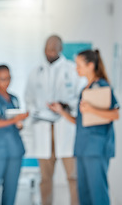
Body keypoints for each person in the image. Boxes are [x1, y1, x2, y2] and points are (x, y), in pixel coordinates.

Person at [48, 49, 119, 205]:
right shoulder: (85, 90)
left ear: (90, 65)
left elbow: (114, 114)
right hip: (83, 148)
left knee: (97, 194)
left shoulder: (101, 85)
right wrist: (61, 111)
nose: (76, 69)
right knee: (84, 194)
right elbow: (80, 122)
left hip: (96, 149)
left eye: (79, 65)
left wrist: (92, 109)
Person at [24, 35, 82, 205]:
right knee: (45, 178)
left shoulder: (72, 70)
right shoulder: (36, 71)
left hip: (65, 129)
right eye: (46, 49)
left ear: (60, 50)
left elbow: (80, 98)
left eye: (52, 49)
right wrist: (37, 110)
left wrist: (65, 105)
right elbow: (28, 98)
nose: (49, 53)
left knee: (73, 177)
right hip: (43, 128)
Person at [0, 65, 29, 205]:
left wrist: (19, 124)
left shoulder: (14, 99)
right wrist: (15, 119)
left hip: (15, 149)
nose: (6, 82)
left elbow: (17, 125)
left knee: (11, 189)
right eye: (2, 79)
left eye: (8, 78)